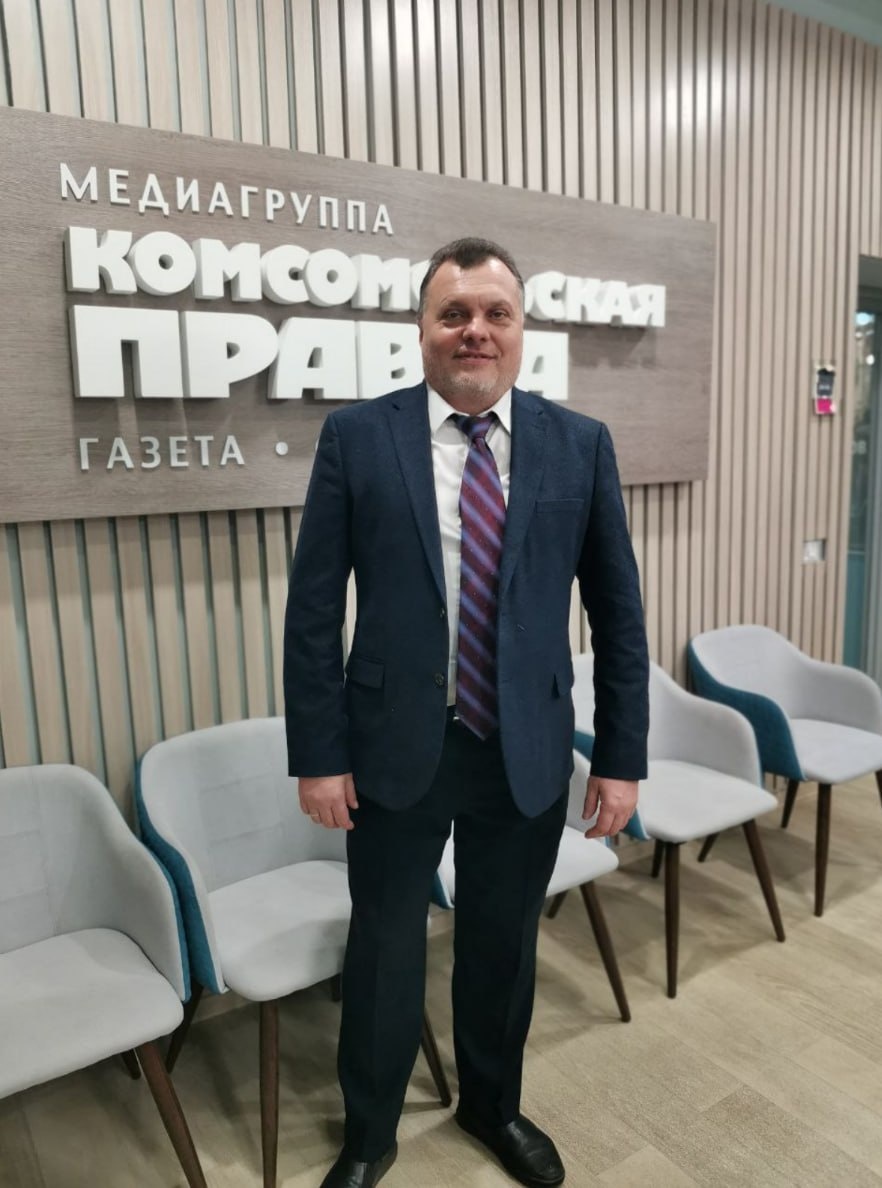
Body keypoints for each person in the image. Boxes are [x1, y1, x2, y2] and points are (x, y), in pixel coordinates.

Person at [284, 237, 649, 1188]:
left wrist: (621, 758)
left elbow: (619, 615)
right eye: (454, 314)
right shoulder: (358, 437)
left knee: (502, 944)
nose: (474, 330)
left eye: (495, 313)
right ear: (423, 329)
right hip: (392, 746)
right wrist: (318, 753)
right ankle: (370, 1135)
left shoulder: (580, 444)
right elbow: (313, 610)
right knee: (384, 949)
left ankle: (492, 1107)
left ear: (522, 331)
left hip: (524, 747)